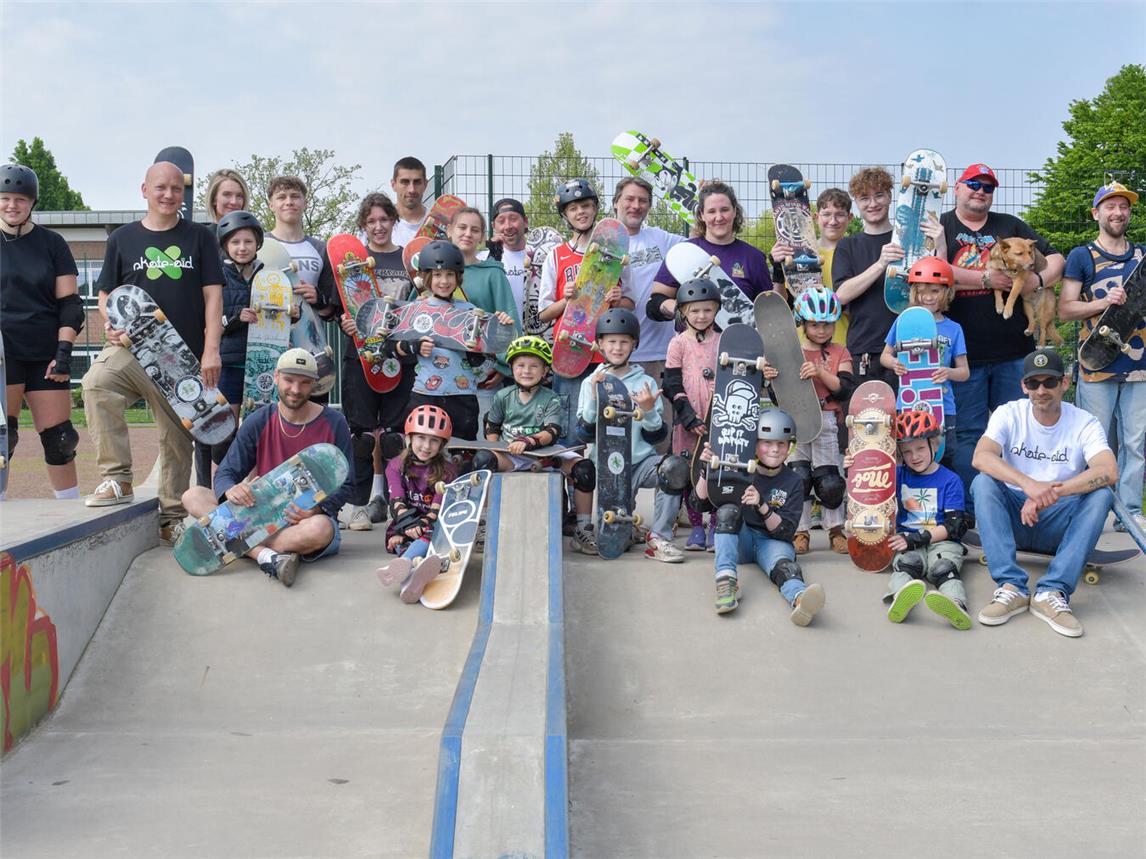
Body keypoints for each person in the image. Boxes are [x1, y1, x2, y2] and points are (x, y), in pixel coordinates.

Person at [82, 160, 224, 543]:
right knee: (96, 382)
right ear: (145, 190)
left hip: (180, 356)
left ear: (183, 194)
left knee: (176, 438)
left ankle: (171, 518)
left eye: (176, 188)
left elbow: (213, 296)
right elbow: (106, 293)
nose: (168, 195)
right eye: (161, 187)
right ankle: (118, 479)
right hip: (132, 348)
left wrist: (211, 350)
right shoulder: (122, 238)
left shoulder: (200, 237)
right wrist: (109, 320)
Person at [941, 163, 1065, 509]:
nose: (980, 191)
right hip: (963, 356)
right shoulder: (942, 226)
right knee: (967, 434)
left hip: (1014, 353)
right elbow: (932, 272)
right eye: (973, 184)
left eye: (988, 187)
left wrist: (1037, 281)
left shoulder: (1011, 225)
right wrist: (985, 279)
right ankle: (971, 511)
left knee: (1021, 431)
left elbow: (1057, 259)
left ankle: (1022, 504)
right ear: (957, 188)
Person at [972, 348, 1117, 638]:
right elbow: (981, 456)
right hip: (1014, 517)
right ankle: (1011, 587)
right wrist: (1029, 485)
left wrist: (1052, 493)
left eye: (1049, 382)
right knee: (983, 482)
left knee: (1103, 495)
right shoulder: (1008, 413)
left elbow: (1108, 470)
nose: (1041, 390)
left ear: (1064, 383)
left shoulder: (1084, 422)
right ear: (1023, 385)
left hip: (1060, 523)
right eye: (1033, 383)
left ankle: (1052, 591)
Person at [181, 348, 354, 588]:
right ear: (276, 377)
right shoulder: (259, 420)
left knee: (321, 530)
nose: (295, 389)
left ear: (314, 384)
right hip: (256, 513)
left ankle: (244, 545)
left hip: (303, 520)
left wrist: (317, 509)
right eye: (289, 380)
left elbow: (348, 483)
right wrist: (231, 489)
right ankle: (266, 555)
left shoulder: (335, 422)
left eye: (304, 383)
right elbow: (226, 472)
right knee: (193, 496)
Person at [1059, 181, 1146, 532]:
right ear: (1096, 213)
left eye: (1124, 206)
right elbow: (1065, 309)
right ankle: (1089, 509)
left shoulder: (1141, 256)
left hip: (1139, 367)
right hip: (1096, 364)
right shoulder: (1081, 256)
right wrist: (1103, 303)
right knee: (1091, 442)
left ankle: (1129, 513)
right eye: (1110, 206)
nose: (1118, 212)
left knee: (1135, 444)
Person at [694, 408, 826, 624]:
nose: (774, 449)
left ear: (790, 446)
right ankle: (726, 583)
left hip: (771, 541)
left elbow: (785, 532)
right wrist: (705, 470)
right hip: (742, 540)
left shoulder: (793, 481)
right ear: (754, 444)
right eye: (767, 442)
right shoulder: (737, 467)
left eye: (781, 443)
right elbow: (700, 504)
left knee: (787, 567)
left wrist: (762, 505)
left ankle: (800, 599)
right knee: (727, 512)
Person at [0, 162, 83, 500]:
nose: (12, 205)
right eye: (5, 198)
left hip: (45, 354)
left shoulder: (52, 243)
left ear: (32, 202)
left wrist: (64, 353)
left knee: (60, 439)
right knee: (2, 438)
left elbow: (70, 305)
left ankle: (70, 510)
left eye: (20, 199)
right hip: (3, 355)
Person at [333, 192, 416, 531]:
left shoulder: (407, 259)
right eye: (371, 221)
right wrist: (344, 321)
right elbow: (339, 305)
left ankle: (403, 503)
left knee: (396, 436)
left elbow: (420, 305)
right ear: (363, 226)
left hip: (399, 355)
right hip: (360, 355)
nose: (378, 226)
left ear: (394, 221)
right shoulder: (352, 262)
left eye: (384, 219)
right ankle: (357, 506)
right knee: (362, 435)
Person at [575, 309, 684, 563]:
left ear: (634, 344)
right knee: (616, 541)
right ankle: (587, 531)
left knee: (673, 468)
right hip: (607, 467)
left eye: (624, 341)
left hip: (639, 463)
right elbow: (584, 433)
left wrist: (648, 411)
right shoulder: (591, 382)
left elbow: (656, 437)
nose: (617, 347)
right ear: (600, 343)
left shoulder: (645, 383)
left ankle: (659, 538)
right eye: (611, 341)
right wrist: (594, 400)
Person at [478, 335, 598, 554]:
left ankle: (583, 529)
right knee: (483, 461)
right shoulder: (503, 396)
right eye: (520, 365)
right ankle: (484, 526)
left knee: (584, 469)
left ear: (545, 371)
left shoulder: (551, 398)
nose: (526, 371)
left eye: (534, 366)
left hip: (546, 453)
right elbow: (492, 427)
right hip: (512, 454)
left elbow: (552, 431)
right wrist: (495, 449)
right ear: (512, 368)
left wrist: (528, 441)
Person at [382, 240, 512, 440]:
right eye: (437, 275)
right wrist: (412, 346)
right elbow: (387, 349)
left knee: (462, 452)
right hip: (425, 394)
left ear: (458, 277)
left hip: (463, 397)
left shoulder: (470, 311)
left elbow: (487, 360)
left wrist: (501, 325)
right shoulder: (416, 309)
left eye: (450, 274)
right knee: (423, 451)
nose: (444, 281)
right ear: (426, 277)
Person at [539, 178, 632, 445]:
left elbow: (631, 303)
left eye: (586, 206)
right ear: (565, 215)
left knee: (609, 425)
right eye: (573, 208)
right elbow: (544, 314)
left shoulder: (617, 255)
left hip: (607, 353)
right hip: (569, 352)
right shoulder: (556, 256)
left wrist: (619, 299)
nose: (581, 212)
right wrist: (566, 300)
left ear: (595, 208)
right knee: (570, 427)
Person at [833, 167, 943, 389]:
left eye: (879, 195)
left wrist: (941, 247)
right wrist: (880, 264)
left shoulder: (912, 239)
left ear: (890, 197)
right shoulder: (848, 245)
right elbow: (841, 295)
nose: (872, 204)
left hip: (910, 345)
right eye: (865, 198)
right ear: (856, 202)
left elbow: (939, 286)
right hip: (864, 348)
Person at [881, 411, 972, 630]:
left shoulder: (950, 480)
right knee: (907, 564)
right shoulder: (899, 474)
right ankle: (901, 598)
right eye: (907, 451)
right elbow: (870, 482)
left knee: (943, 568)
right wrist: (854, 465)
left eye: (920, 448)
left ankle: (955, 604)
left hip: (942, 540)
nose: (914, 457)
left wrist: (916, 539)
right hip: (907, 538)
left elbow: (954, 525)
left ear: (935, 444)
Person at [880, 256, 969, 467]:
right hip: (909, 402)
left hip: (943, 406)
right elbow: (885, 356)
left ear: (946, 292)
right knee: (909, 453)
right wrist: (894, 363)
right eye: (922, 291)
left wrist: (948, 372)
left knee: (944, 456)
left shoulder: (954, 328)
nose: (928, 297)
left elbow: (964, 372)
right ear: (914, 292)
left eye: (935, 291)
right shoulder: (903, 322)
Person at [192, 168, 252, 485]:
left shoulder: (252, 246)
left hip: (247, 354)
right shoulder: (201, 239)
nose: (233, 201)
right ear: (214, 199)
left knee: (244, 429)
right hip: (209, 349)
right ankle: (205, 490)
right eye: (227, 195)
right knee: (210, 427)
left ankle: (236, 488)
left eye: (239, 195)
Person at [614, 177, 684, 442]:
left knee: (658, 433)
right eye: (629, 199)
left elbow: (699, 243)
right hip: (617, 353)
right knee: (620, 434)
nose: (636, 205)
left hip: (658, 354)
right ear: (616, 202)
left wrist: (697, 198)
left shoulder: (661, 239)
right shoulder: (602, 242)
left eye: (642, 201)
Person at [787, 287, 853, 555]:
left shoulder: (840, 352)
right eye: (815, 324)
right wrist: (771, 376)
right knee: (799, 478)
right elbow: (779, 392)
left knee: (830, 482)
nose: (822, 330)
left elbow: (845, 389)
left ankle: (835, 531)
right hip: (797, 419)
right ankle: (800, 531)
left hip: (826, 419)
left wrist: (819, 373)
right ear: (803, 323)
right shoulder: (792, 351)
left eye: (827, 324)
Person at [648, 180, 773, 320]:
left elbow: (769, 308)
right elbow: (654, 303)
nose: (719, 217)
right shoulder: (684, 253)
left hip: (740, 333)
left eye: (724, 210)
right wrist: (679, 310)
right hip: (692, 334)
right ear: (702, 214)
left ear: (734, 211)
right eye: (711, 211)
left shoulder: (753, 257)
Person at [375, 404, 458, 603]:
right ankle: (413, 573)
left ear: (442, 445)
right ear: (409, 438)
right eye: (421, 437)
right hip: (405, 523)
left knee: (431, 533)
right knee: (398, 540)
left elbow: (436, 509)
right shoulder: (396, 465)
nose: (426, 446)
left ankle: (406, 566)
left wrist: (420, 526)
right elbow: (397, 502)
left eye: (434, 440)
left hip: (434, 525)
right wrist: (406, 527)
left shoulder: (448, 471)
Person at [662, 278, 721, 550]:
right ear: (683, 312)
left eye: (707, 310)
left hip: (716, 418)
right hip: (688, 420)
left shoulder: (722, 341)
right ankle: (697, 526)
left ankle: (716, 524)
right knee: (689, 471)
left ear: (716, 310)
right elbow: (672, 384)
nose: (701, 316)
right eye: (694, 310)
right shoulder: (678, 343)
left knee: (715, 468)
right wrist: (688, 417)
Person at [770, 187, 853, 344]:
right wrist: (778, 269)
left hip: (842, 343)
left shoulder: (854, 253)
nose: (833, 221)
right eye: (826, 214)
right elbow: (783, 302)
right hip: (804, 343)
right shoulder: (799, 253)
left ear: (850, 218)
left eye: (840, 214)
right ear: (815, 217)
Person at [215, 210, 266, 457]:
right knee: (226, 431)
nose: (242, 247)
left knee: (258, 433)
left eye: (248, 241)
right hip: (230, 364)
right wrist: (235, 319)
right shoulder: (217, 277)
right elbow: (210, 321)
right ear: (226, 245)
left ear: (258, 244)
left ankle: (255, 478)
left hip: (260, 364)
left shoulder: (267, 276)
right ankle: (223, 479)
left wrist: (292, 314)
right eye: (235, 242)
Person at [265, 175, 337, 324]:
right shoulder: (260, 246)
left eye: (295, 196)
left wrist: (320, 299)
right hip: (268, 332)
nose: (289, 202)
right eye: (281, 197)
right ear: (271, 205)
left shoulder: (322, 249)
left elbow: (330, 312)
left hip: (311, 335)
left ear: (305, 204)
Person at [479, 197, 530, 313]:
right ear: (493, 226)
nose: (508, 226)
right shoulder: (482, 259)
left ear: (525, 221)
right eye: (501, 221)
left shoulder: (541, 257)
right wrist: (492, 258)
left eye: (513, 219)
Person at [390, 157, 429, 247]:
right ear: (393, 184)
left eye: (417, 182)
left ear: (425, 184)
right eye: (405, 182)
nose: (412, 189)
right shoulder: (378, 226)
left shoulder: (439, 224)